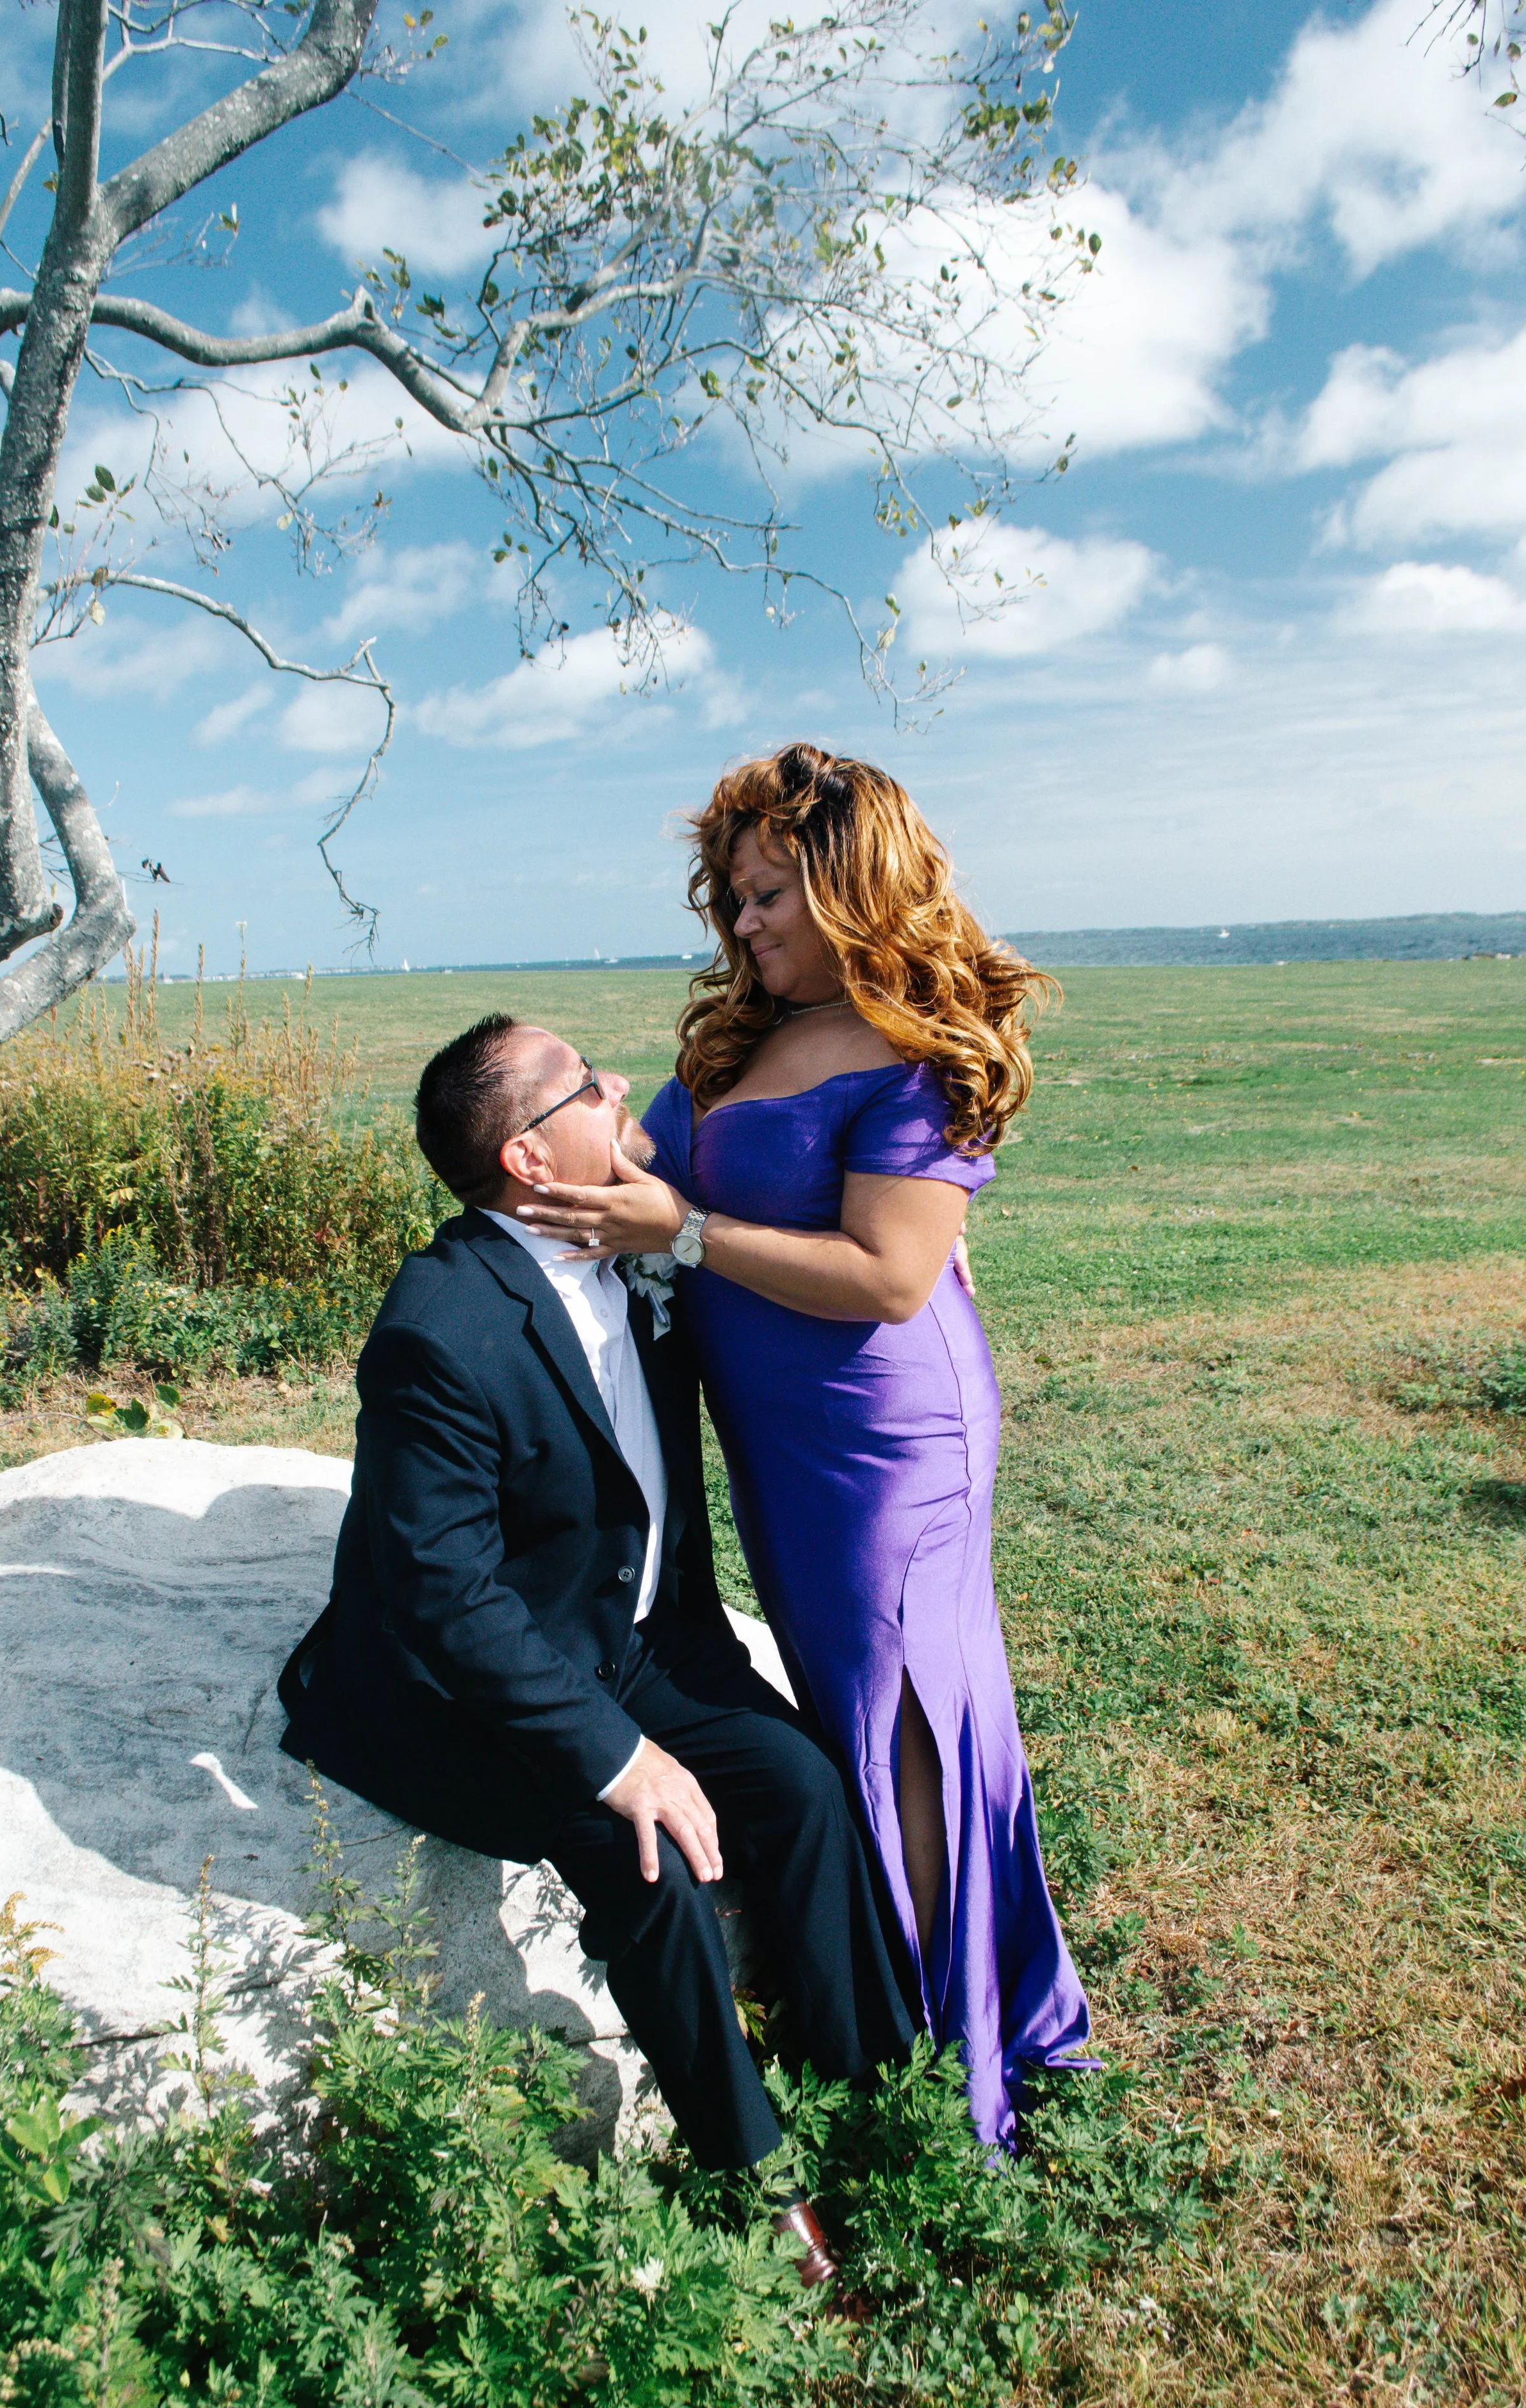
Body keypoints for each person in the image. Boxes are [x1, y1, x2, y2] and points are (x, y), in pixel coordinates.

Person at [514, 744, 1092, 2151]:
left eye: (771, 892)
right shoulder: (743, 1036)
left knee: (904, 1720)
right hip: (782, 1446)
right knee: (849, 1708)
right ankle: (919, 1996)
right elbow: (646, 1168)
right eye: (733, 895)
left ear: (853, 886)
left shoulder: (914, 1055)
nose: (745, 919)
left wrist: (684, 1232)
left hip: (889, 1441)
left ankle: (956, 2064)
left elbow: (890, 1276)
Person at [277, 1012, 916, 2274]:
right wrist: (617, 1756)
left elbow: (821, 1265)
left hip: (632, 1637)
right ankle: (763, 2191)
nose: (619, 1082)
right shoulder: (438, 1328)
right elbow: (442, 1594)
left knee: (799, 1784)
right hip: (476, 1687)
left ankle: (876, 2101)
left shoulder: (634, 1244)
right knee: (648, 1863)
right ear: (527, 1157)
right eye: (583, 1082)